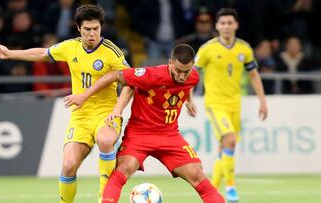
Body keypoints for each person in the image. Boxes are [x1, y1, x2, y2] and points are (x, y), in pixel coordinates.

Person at [0, 4, 131, 203]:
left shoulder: (112, 52)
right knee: (68, 165)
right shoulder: (70, 46)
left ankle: (106, 198)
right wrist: (11, 53)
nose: (92, 34)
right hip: (80, 116)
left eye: (96, 29)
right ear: (78, 29)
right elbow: (42, 53)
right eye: (87, 29)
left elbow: (130, 83)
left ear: (101, 28)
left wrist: (117, 111)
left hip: (105, 112)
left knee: (106, 140)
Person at [64, 44, 225, 203]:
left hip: (170, 135)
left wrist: (189, 101)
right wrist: (106, 104)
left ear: (192, 67)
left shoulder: (193, 76)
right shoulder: (150, 75)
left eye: (186, 71)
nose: (182, 76)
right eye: (178, 71)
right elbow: (115, 75)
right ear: (170, 63)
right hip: (139, 134)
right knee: (121, 171)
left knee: (197, 175)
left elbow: (187, 84)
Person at [195, 8, 268, 202]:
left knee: (225, 147)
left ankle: (212, 191)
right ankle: (231, 189)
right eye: (223, 23)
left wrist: (262, 101)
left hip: (235, 104)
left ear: (236, 25)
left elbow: (253, 75)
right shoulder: (207, 49)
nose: (226, 26)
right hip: (214, 103)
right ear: (217, 26)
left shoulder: (244, 48)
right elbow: (192, 75)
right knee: (229, 139)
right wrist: (186, 98)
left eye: (230, 23)